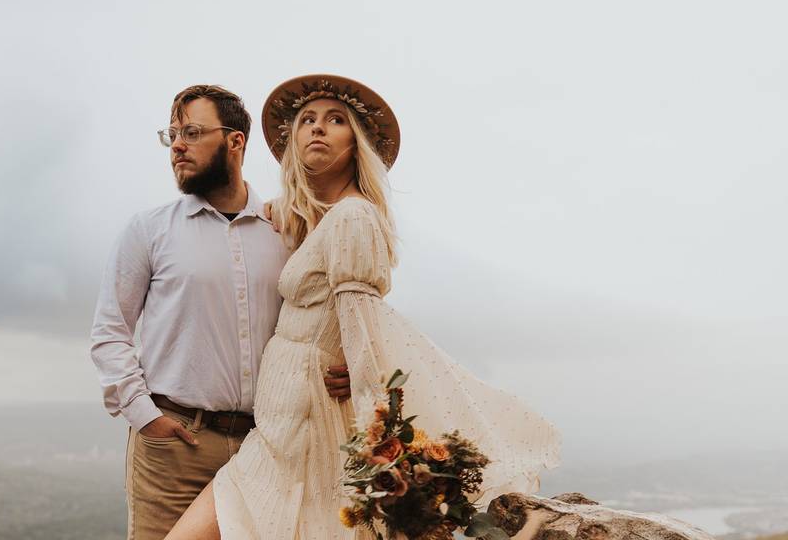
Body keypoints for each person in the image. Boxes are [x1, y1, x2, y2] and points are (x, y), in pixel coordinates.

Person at [164, 75, 562, 540]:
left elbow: (365, 325)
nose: (317, 128)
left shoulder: (353, 217)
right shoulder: (314, 217)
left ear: (356, 144)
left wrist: (365, 380)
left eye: (335, 121)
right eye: (307, 120)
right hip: (279, 428)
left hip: (308, 432)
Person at [90, 84, 352, 540]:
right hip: (175, 449)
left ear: (235, 142)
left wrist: (348, 362)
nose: (176, 145)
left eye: (191, 132)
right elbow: (110, 333)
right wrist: (144, 416)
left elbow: (322, 314)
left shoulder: (287, 228)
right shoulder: (149, 230)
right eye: (170, 134)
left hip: (269, 446)